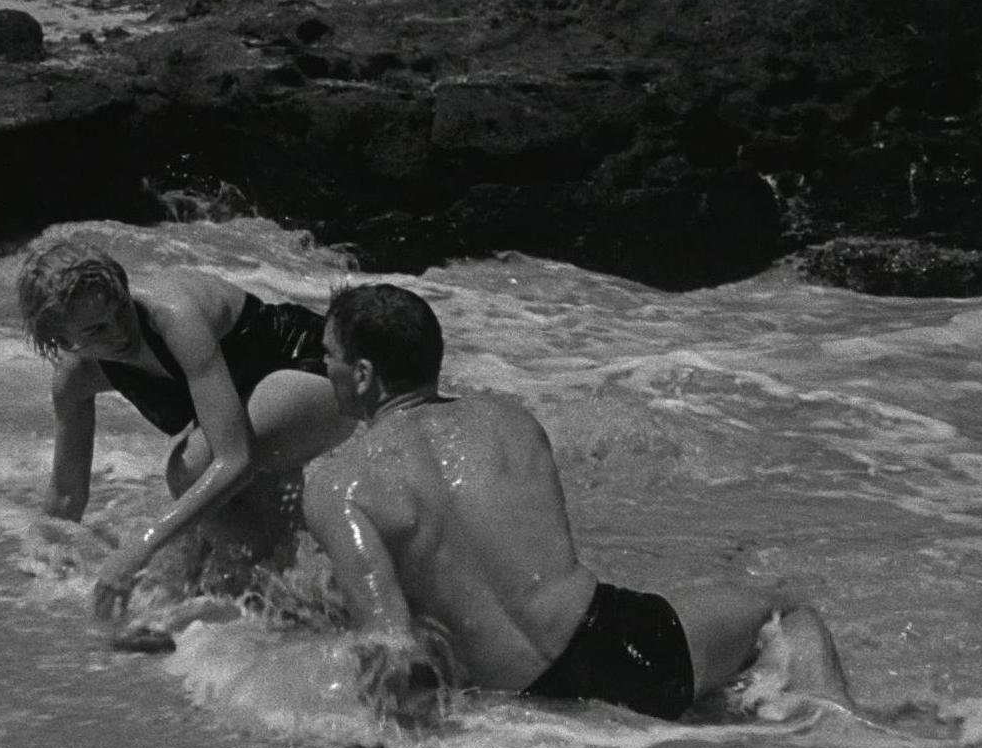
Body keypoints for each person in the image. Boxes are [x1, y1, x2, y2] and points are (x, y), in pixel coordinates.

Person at [301, 283, 854, 721]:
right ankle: (834, 731)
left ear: (363, 374)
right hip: (630, 651)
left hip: (524, 698)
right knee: (784, 612)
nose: (323, 367)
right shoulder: (510, 420)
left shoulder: (337, 484)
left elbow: (391, 650)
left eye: (328, 355)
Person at [16, 238, 357, 621]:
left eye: (122, 310)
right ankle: (306, 606)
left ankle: (276, 600)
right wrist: (38, 567)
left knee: (189, 470)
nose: (120, 333)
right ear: (61, 340)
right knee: (188, 564)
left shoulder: (173, 316)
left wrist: (141, 547)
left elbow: (235, 460)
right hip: (255, 408)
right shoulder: (75, 379)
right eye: (96, 330)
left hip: (319, 371)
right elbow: (65, 499)